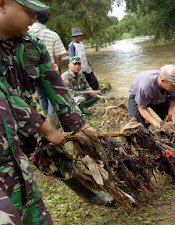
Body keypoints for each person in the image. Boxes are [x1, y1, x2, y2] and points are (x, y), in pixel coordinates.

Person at [0, 0, 111, 221]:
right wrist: (46, 127)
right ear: (2, 4)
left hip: (28, 125)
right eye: (29, 12)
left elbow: (56, 86)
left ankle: (88, 194)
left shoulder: (33, 46)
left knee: (56, 157)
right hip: (8, 131)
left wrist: (80, 126)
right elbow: (7, 97)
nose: (34, 19)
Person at [128, 65, 175, 146]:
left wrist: (172, 125)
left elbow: (173, 105)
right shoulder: (146, 86)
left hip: (160, 98)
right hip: (139, 97)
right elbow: (142, 108)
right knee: (140, 126)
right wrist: (158, 125)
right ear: (163, 81)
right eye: (174, 85)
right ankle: (145, 150)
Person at [29, 9, 67, 129]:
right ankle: (53, 125)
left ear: (34, 16)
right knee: (51, 98)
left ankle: (45, 122)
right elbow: (58, 57)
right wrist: (58, 76)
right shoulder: (52, 34)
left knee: (41, 97)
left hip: (32, 72)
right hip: (50, 72)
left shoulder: (26, 32)